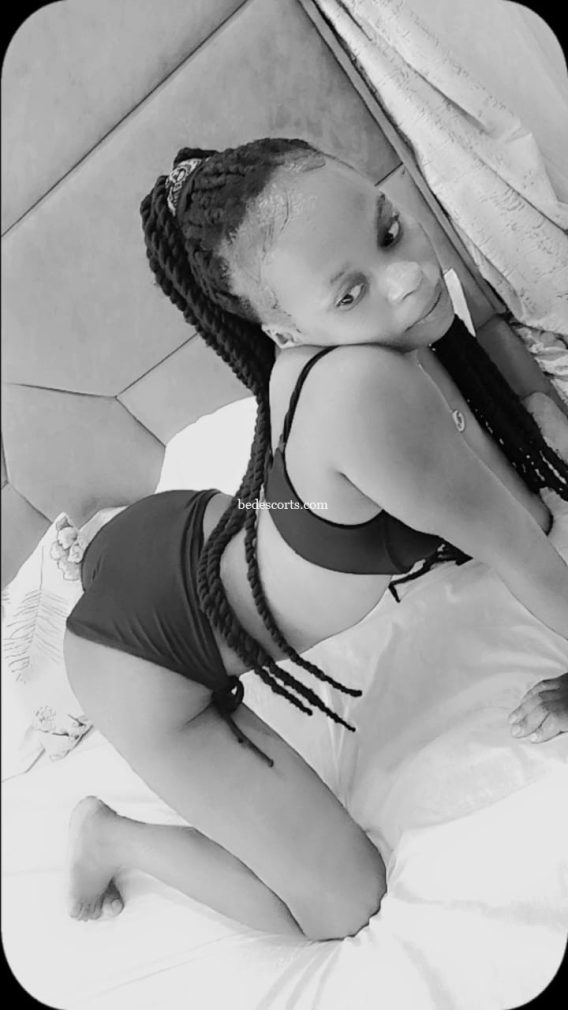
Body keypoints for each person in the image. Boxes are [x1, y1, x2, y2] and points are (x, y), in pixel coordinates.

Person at [63, 138, 568, 938]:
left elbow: (505, 500)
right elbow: (522, 550)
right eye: (350, 291)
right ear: (283, 329)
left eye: (389, 229)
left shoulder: (372, 341)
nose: (406, 278)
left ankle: (92, 544)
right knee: (340, 905)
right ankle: (110, 837)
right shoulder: (366, 390)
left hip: (173, 538)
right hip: (145, 661)